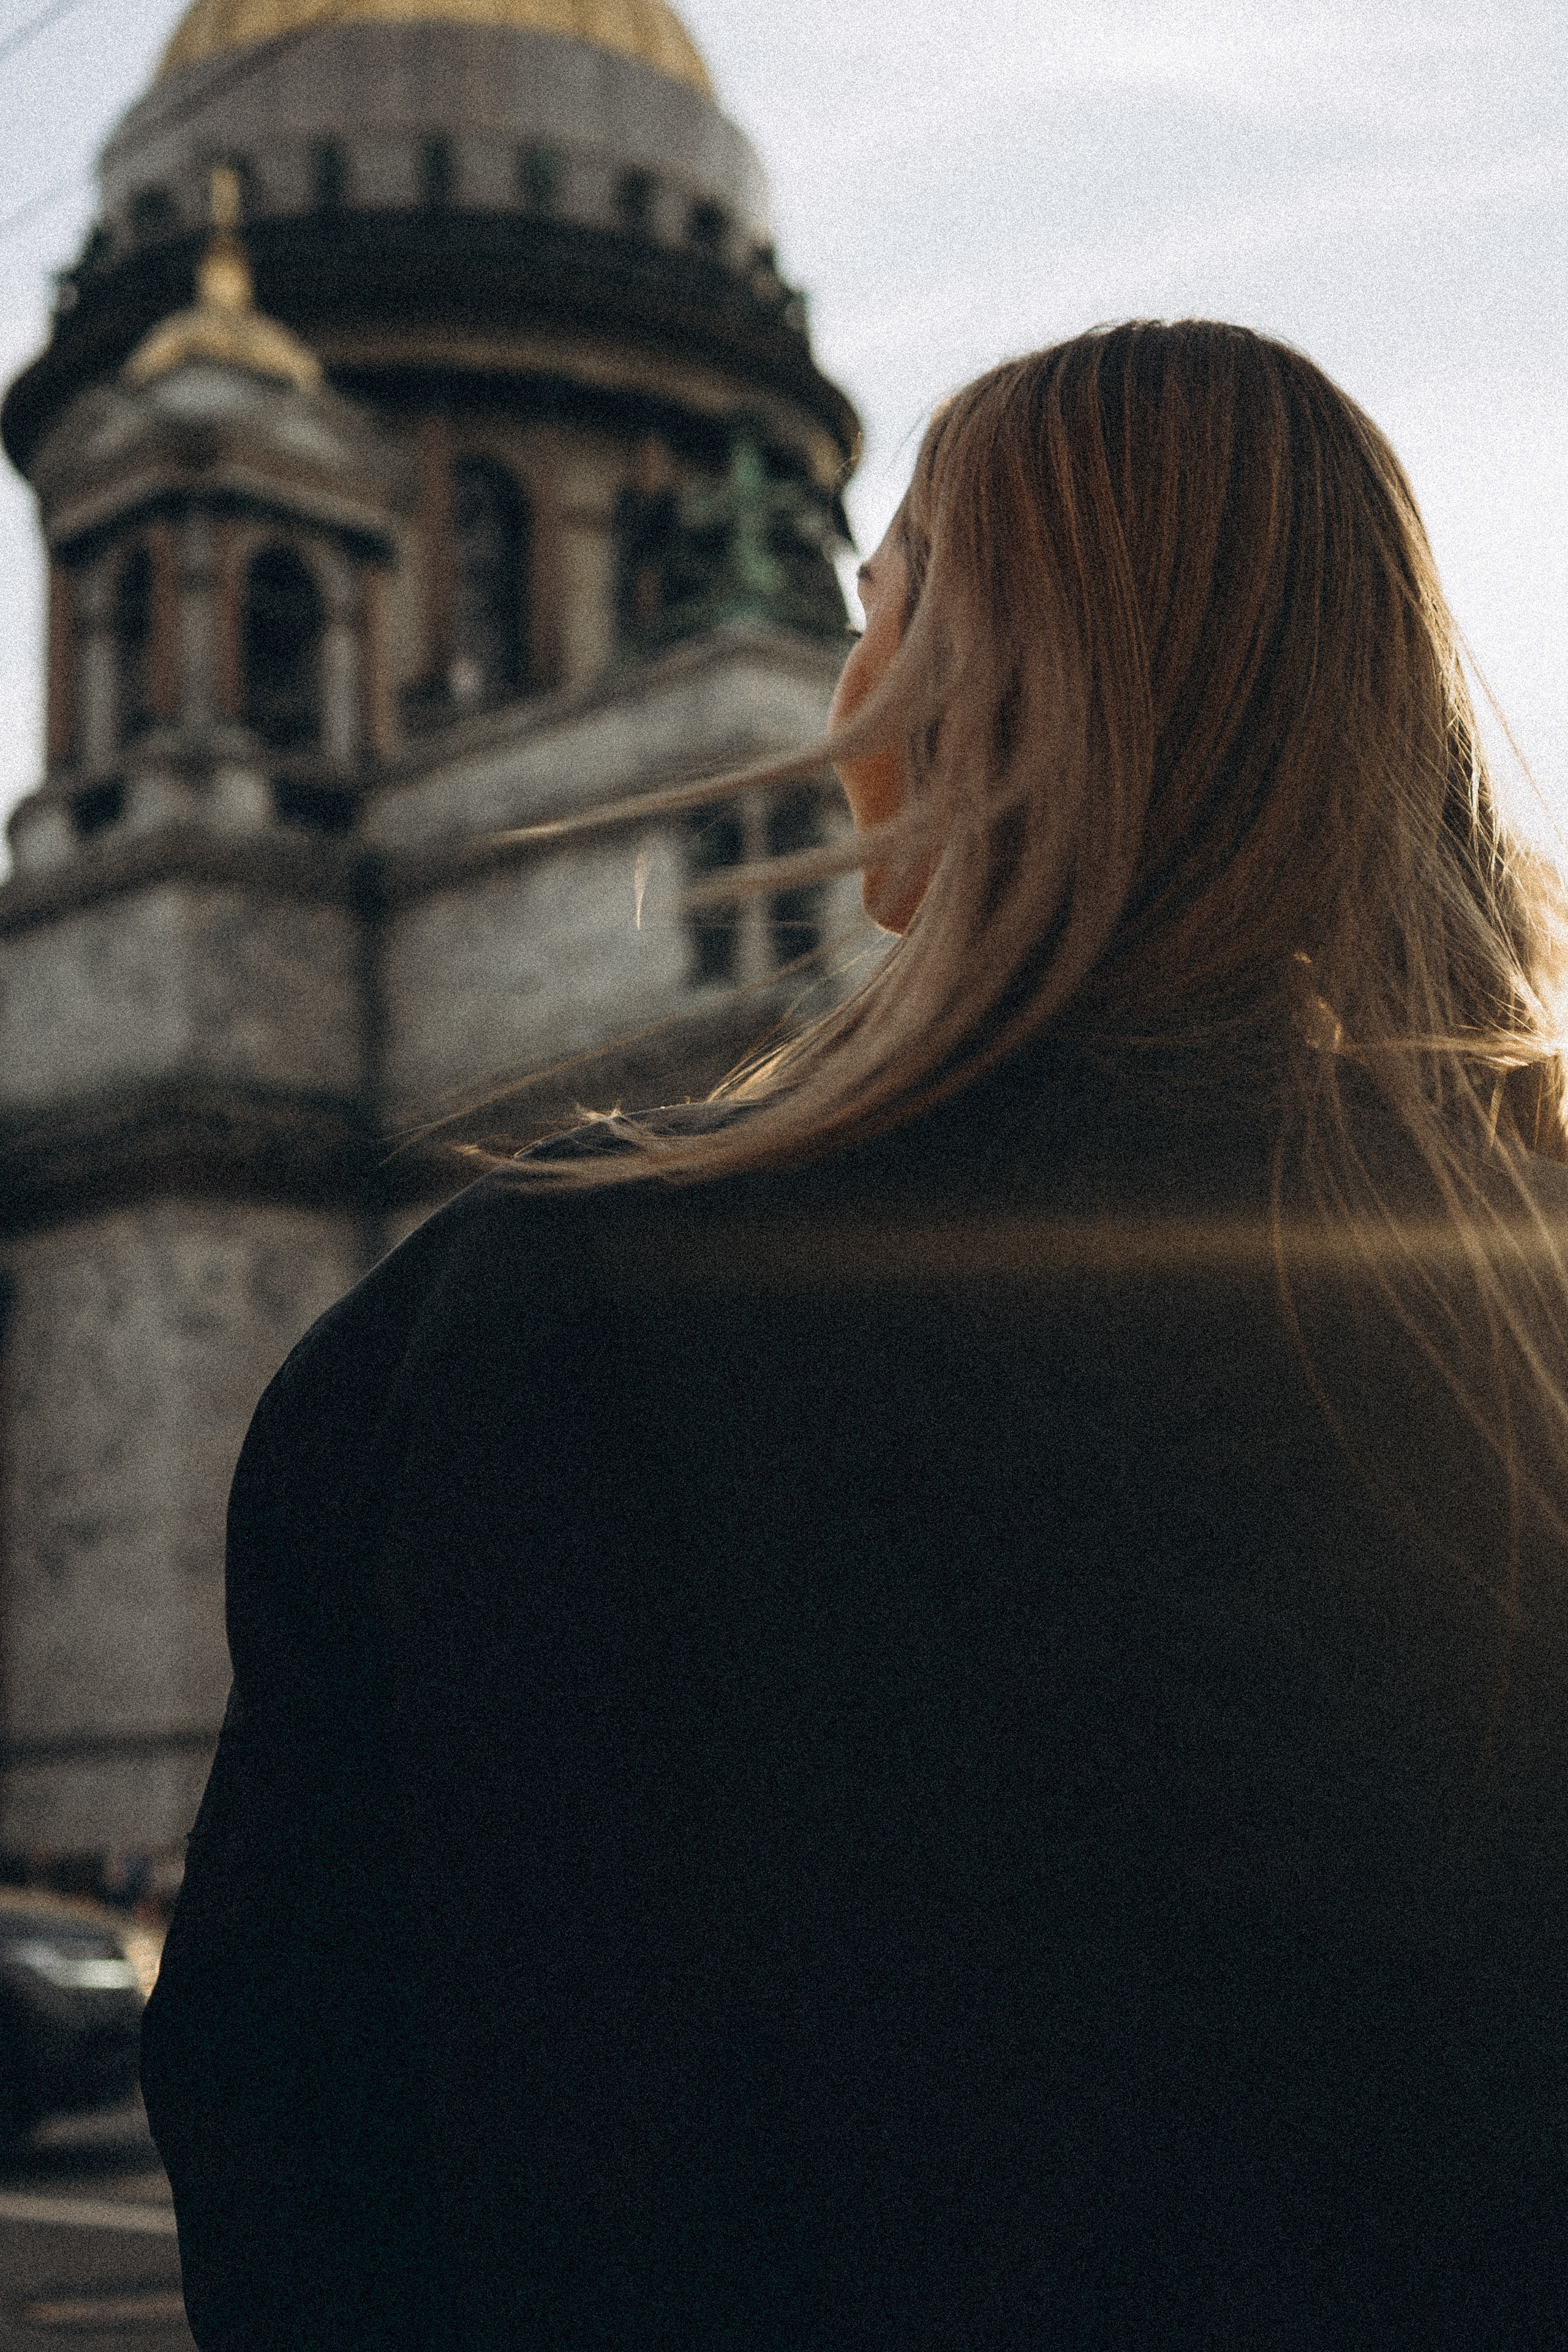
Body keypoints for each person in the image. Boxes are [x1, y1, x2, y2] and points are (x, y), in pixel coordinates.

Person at [142, 322, 1568, 2350]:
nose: (835, 698)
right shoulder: (1524, 1331)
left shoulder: (523, 1332)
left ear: (951, 709)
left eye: (878, 599)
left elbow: (306, 2157)